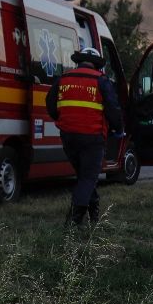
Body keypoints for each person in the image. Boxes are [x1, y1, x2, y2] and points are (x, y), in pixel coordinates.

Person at [46, 47, 123, 226]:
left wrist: (63, 119)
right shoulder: (101, 80)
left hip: (68, 137)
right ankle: (73, 222)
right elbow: (113, 109)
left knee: (84, 176)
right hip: (92, 137)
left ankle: (94, 215)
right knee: (88, 177)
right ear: (97, 65)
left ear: (79, 61)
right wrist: (118, 129)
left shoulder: (63, 79)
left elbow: (50, 104)